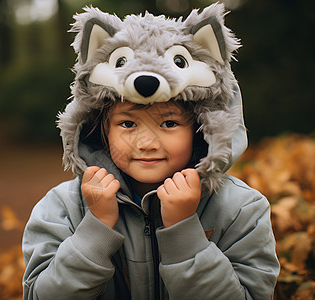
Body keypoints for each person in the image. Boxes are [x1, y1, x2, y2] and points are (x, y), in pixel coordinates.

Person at [22, 4, 280, 300]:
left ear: (202, 127)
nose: (146, 143)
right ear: (100, 127)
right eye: (128, 123)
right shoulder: (63, 207)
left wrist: (184, 231)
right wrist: (94, 230)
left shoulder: (241, 209)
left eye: (169, 123)